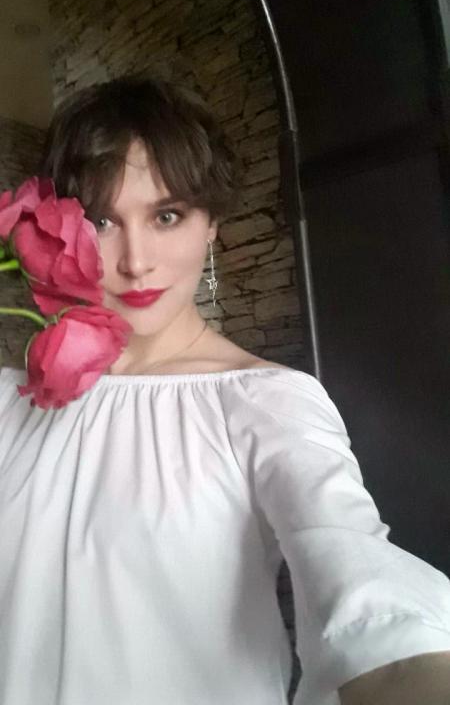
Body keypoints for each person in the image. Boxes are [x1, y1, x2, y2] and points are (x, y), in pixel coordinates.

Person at [0, 74, 449, 705]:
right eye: (102, 220)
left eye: (167, 216)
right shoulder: (12, 400)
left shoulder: (266, 402)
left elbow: (361, 581)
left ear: (211, 223)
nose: (136, 261)